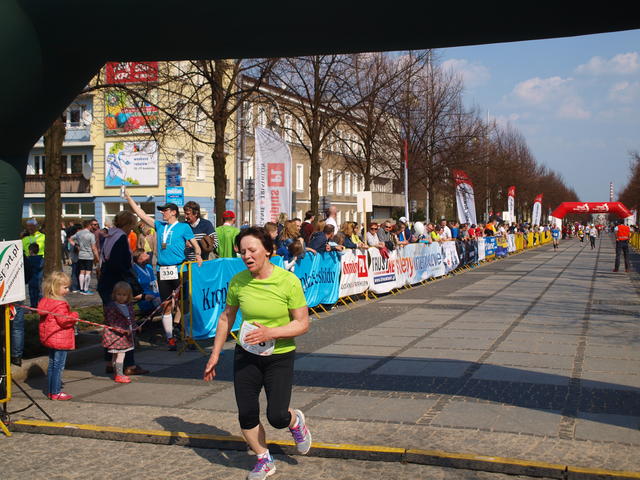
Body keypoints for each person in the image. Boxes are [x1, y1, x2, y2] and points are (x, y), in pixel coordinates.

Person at [203, 227, 312, 480]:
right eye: (242, 252)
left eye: (252, 250)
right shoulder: (238, 281)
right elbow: (226, 317)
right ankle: (263, 459)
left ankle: (295, 422)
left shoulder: (288, 281)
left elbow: (302, 323)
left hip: (279, 356)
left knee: (277, 416)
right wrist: (215, 354)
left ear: (268, 251)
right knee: (247, 412)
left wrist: (270, 333)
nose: (247, 256)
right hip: (246, 354)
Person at [124, 191, 203, 350]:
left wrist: (198, 255)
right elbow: (141, 214)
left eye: (165, 210)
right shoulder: (160, 226)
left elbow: (196, 245)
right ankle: (170, 338)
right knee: (166, 304)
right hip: (162, 270)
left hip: (179, 269)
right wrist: (129, 198)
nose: (162, 213)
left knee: (184, 304)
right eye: (161, 211)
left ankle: (188, 336)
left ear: (173, 212)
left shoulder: (183, 227)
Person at [96, 210, 147, 375]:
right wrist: (136, 288)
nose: (133, 229)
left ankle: (110, 362)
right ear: (128, 224)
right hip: (117, 286)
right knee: (125, 323)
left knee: (111, 325)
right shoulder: (120, 238)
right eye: (132, 225)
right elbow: (123, 266)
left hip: (105, 283)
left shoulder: (110, 235)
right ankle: (129, 364)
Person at [38, 271, 79, 401]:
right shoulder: (59, 304)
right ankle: (55, 392)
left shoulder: (46, 301)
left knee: (52, 365)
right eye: (65, 287)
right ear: (55, 287)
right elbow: (64, 321)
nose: (68, 290)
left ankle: (51, 391)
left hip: (50, 337)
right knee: (58, 366)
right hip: (60, 339)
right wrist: (75, 316)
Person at [102, 282, 138, 384]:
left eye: (124, 295)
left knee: (117, 355)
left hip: (125, 336)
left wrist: (135, 326)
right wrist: (121, 329)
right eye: (119, 294)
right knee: (120, 355)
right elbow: (111, 321)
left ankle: (117, 373)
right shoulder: (112, 307)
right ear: (114, 294)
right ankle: (119, 374)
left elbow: (131, 319)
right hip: (117, 336)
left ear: (128, 296)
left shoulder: (128, 306)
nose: (121, 297)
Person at [69, 219, 99, 295]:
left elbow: (70, 239)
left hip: (81, 255)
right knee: (88, 272)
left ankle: (81, 289)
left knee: (82, 272)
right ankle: (86, 289)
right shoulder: (91, 235)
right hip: (89, 255)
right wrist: (97, 257)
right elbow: (94, 248)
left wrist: (76, 245)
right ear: (89, 225)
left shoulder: (79, 233)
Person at [132, 249, 161, 315]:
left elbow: (154, 282)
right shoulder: (134, 270)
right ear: (139, 259)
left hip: (156, 295)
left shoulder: (149, 267)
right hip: (145, 299)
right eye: (145, 255)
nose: (148, 256)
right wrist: (145, 296)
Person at [27, 243, 44, 307]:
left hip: (31, 280)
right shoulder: (42, 259)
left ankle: (34, 307)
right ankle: (41, 306)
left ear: (30, 251)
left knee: (32, 295)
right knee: (40, 294)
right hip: (40, 279)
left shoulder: (28, 260)